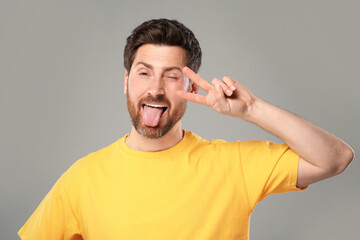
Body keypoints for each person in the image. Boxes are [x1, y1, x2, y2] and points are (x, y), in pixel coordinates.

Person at [18, 18, 354, 240]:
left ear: (192, 89)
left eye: (172, 75)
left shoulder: (232, 165)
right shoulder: (82, 178)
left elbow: (335, 159)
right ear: (126, 81)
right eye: (144, 72)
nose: (155, 89)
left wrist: (252, 109)